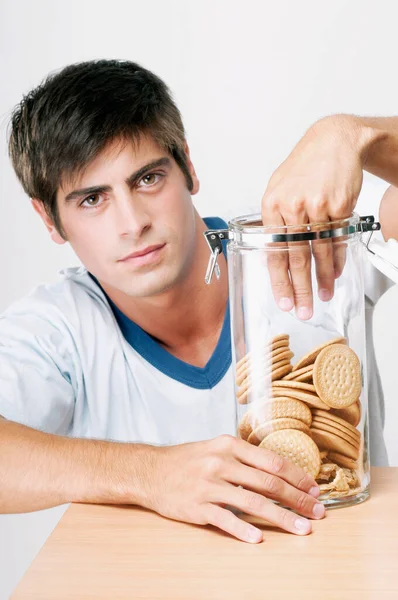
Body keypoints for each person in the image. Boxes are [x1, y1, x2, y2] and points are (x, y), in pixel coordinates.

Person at [0, 59, 392, 542]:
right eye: (91, 200)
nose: (132, 222)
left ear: (187, 165)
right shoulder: (59, 327)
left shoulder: (301, 240)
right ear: (48, 218)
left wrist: (353, 136)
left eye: (147, 179)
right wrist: (148, 473)